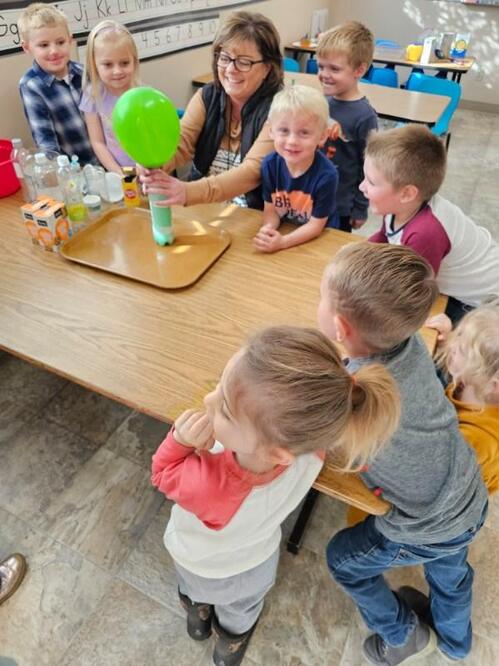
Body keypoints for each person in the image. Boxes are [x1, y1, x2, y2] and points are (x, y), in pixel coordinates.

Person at [151, 325, 399, 666]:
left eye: (224, 409)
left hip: (201, 564)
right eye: (220, 387)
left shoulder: (208, 485)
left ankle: (197, 619)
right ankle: (229, 650)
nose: (208, 401)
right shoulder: (311, 451)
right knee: (243, 610)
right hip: (256, 562)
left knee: (195, 592)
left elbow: (161, 472)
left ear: (277, 452)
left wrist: (180, 441)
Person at [317, 242, 488, 664]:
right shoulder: (408, 342)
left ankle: (402, 635)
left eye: (320, 297)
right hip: (468, 497)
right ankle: (456, 644)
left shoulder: (356, 398)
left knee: (342, 560)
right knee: (451, 579)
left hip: (424, 524)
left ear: (339, 327)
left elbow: (322, 444)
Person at [141, 11, 283, 210]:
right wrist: (153, 163)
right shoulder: (206, 96)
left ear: (267, 68)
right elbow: (181, 144)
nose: (230, 69)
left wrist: (188, 192)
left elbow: (252, 172)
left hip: (253, 214)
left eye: (244, 62)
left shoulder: (280, 109)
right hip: (203, 208)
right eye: (224, 58)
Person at [363, 124, 499, 322]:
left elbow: (415, 292)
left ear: (407, 193)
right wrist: (357, 255)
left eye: (371, 182)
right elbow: (384, 237)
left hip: (482, 304)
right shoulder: (402, 206)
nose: (362, 186)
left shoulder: (426, 233)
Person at [252, 85, 338, 253]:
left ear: (322, 136)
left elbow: (316, 226)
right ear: (271, 131)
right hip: (288, 229)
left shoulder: (327, 175)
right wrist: (268, 230)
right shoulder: (269, 165)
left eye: (304, 133)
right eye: (284, 131)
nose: (292, 141)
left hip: (321, 239)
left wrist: (282, 242)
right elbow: (271, 210)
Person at [426, 303, 499, 494]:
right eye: (459, 335)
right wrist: (447, 338)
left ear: (492, 385)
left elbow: (430, 476)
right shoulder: (478, 386)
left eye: (462, 350)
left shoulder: (476, 440)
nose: (453, 345)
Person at [316, 21, 378, 233]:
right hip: (312, 195)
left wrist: (360, 208)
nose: (324, 74)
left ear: (359, 70)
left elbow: (369, 166)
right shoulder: (321, 101)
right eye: (321, 66)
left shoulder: (364, 116)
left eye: (334, 68)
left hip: (340, 206)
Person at [18, 3, 95, 165]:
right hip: (76, 171)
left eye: (60, 42)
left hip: (108, 161)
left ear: (70, 40)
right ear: (27, 47)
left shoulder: (84, 72)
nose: (54, 51)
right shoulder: (31, 86)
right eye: (44, 45)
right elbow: (46, 143)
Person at [80, 21, 140, 174]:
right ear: (94, 64)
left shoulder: (141, 94)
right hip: (116, 170)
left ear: (134, 61)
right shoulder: (92, 95)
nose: (117, 71)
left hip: (146, 168)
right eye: (108, 64)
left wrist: (147, 168)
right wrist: (118, 172)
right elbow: (97, 142)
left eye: (124, 63)